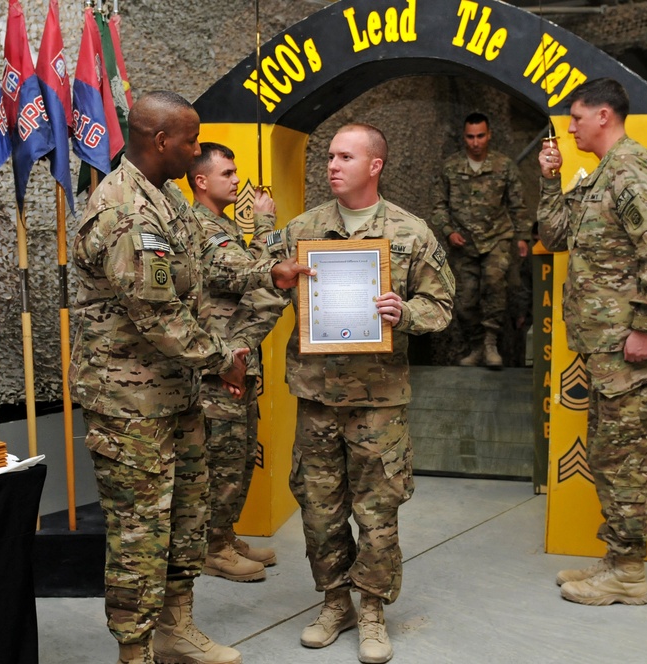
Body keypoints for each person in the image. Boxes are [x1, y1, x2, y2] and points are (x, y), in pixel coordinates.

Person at [69, 91, 307, 664]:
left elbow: (210, 252)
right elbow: (157, 315)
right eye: (192, 141)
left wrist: (267, 269)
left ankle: (175, 630)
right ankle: (136, 650)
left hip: (176, 395)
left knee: (185, 519)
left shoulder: (167, 200)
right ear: (160, 142)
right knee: (140, 534)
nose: (197, 150)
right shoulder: (125, 210)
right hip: (129, 404)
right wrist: (224, 356)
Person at [232, 123, 454, 663]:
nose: (332, 165)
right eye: (330, 155)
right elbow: (266, 296)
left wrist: (406, 313)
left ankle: (373, 608)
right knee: (319, 510)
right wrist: (235, 350)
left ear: (374, 165)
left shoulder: (410, 232)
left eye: (345, 156)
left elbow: (441, 307)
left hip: (379, 401)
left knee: (378, 512)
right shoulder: (302, 230)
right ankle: (336, 602)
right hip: (316, 398)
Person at [536, 78, 647, 606]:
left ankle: (628, 575)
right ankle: (619, 558)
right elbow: (554, 236)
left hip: (628, 345)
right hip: (606, 347)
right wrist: (550, 180)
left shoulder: (628, 168)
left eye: (576, 118)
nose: (570, 128)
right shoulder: (601, 174)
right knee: (608, 454)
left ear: (604, 115)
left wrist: (645, 325)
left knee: (622, 460)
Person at [186, 143, 278, 583]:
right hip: (218, 366)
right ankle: (214, 547)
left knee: (239, 458)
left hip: (238, 359)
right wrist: (264, 226)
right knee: (222, 458)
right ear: (201, 180)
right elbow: (251, 274)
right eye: (228, 172)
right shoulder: (200, 228)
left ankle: (224, 534)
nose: (237, 179)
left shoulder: (220, 224)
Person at [431, 112, 531, 368]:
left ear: (489, 135)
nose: (475, 142)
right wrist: (448, 231)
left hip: (497, 238)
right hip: (463, 243)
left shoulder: (504, 166)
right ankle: (476, 345)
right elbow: (439, 206)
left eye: (480, 136)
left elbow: (518, 205)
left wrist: (521, 237)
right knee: (464, 300)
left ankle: (490, 343)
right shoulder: (450, 167)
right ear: (464, 137)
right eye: (470, 137)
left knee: (495, 286)